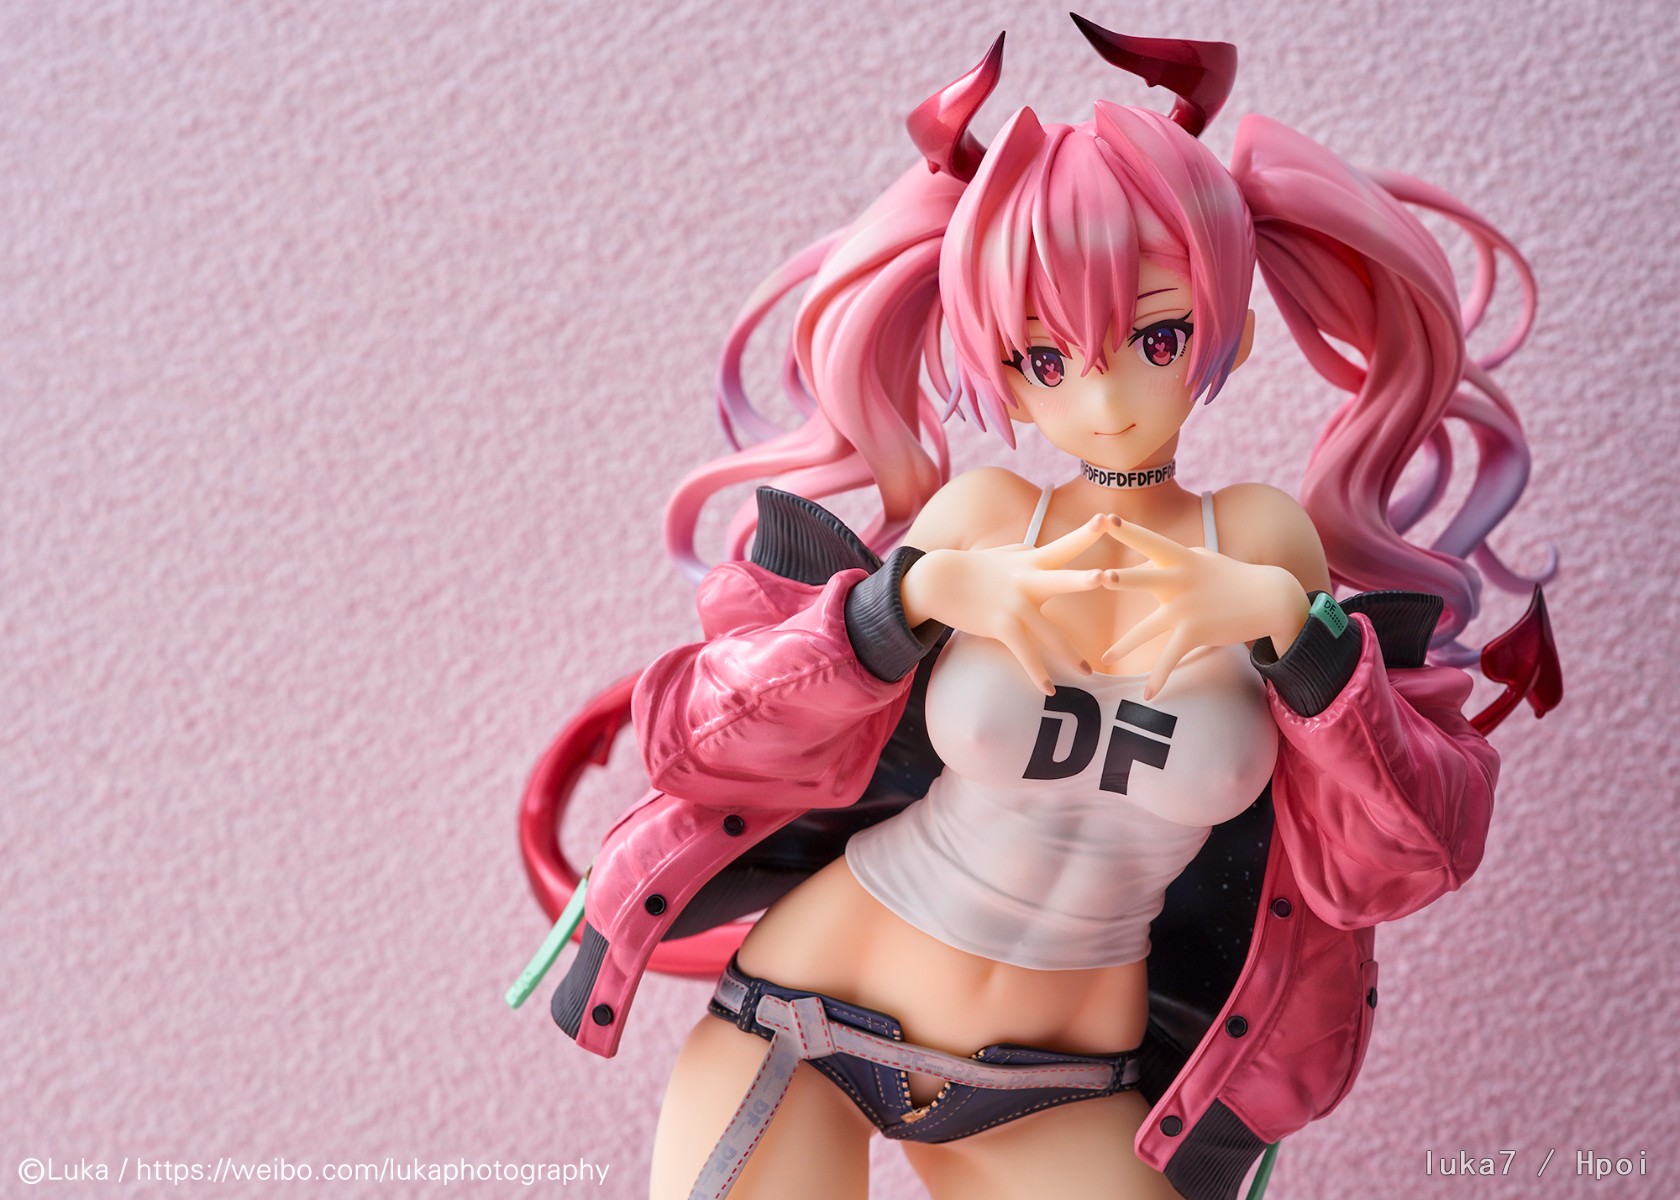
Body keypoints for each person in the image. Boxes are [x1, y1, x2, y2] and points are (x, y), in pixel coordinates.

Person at [533, 18, 1555, 1200]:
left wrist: (1300, 643)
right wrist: (900, 608)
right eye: (1046, 359)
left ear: (1228, 320)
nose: (1107, 393)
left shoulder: (1263, 546)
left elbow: (1407, 859)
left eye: (1156, 334)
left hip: (1053, 1085)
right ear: (1003, 372)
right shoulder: (984, 520)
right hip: (808, 1017)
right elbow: (695, 743)